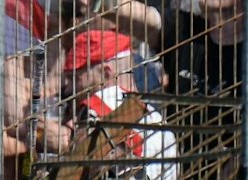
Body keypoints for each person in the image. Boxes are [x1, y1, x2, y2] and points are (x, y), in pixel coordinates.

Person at [61, 30, 176, 179]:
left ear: (106, 74)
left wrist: (63, 141)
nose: (69, 88)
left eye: (75, 78)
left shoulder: (97, 108)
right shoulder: (161, 124)